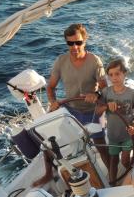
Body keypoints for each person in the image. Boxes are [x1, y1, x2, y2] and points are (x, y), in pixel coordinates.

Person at [47, 23, 109, 167]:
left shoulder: (94, 61)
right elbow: (50, 87)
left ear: (84, 41)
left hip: (92, 112)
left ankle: (113, 179)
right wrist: (53, 102)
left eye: (78, 42)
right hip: (71, 112)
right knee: (52, 145)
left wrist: (96, 94)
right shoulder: (60, 61)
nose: (74, 47)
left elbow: (105, 89)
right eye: (70, 43)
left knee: (101, 147)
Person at [96, 59, 134, 186]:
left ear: (124, 74)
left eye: (117, 74)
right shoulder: (106, 92)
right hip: (113, 136)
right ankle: (112, 184)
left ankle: (132, 172)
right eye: (110, 75)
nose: (114, 78)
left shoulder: (131, 94)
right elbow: (98, 111)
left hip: (127, 135)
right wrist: (106, 106)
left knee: (125, 160)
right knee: (113, 161)